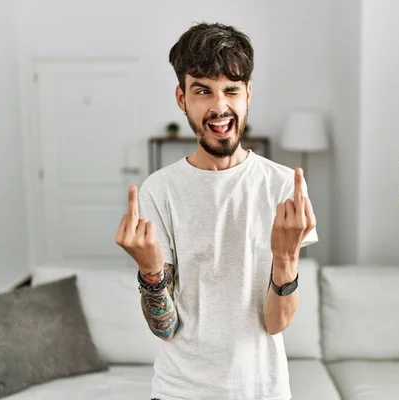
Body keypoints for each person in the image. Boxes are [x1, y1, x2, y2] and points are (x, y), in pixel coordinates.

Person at [115, 22, 318, 400]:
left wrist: (286, 254)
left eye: (231, 90)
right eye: (203, 91)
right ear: (182, 98)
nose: (219, 106)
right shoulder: (159, 190)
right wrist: (149, 271)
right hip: (179, 391)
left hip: (262, 390)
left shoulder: (282, 188)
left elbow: (276, 323)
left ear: (248, 95)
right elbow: (166, 330)